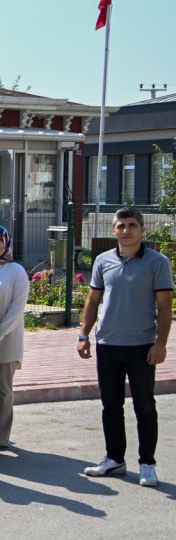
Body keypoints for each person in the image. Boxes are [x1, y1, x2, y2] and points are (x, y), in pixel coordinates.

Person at [79, 207, 171, 487]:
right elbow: (93, 300)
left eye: (132, 225)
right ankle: (114, 459)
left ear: (143, 230)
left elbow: (165, 306)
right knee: (110, 406)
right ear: (114, 230)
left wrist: (161, 344)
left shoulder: (158, 262)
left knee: (144, 406)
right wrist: (83, 335)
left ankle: (148, 464)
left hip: (142, 347)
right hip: (107, 344)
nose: (126, 231)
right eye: (121, 226)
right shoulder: (103, 261)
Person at [0, 225, 30, 451]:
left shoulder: (16, 271)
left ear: (7, 242)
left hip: (6, 339)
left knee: (1, 387)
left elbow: (18, 307)